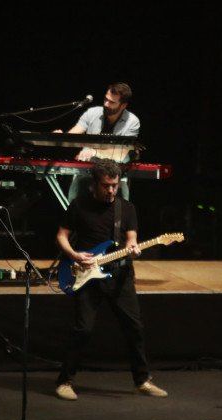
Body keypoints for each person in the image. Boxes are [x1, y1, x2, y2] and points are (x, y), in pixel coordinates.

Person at [54, 159, 167, 401]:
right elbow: (61, 236)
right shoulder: (79, 206)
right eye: (106, 186)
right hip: (86, 275)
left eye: (115, 185)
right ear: (94, 184)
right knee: (83, 329)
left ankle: (142, 381)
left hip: (120, 276)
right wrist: (74, 255)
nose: (111, 190)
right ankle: (64, 381)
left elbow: (131, 239)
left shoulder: (126, 208)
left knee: (134, 327)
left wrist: (133, 249)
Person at [60, 82, 140, 201]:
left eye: (112, 102)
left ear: (123, 105)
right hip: (87, 172)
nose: (106, 104)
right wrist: (61, 137)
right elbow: (73, 135)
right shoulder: (92, 113)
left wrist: (94, 152)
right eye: (106, 99)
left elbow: (121, 154)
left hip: (115, 174)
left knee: (119, 209)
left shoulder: (132, 122)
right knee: (75, 205)